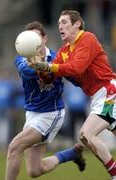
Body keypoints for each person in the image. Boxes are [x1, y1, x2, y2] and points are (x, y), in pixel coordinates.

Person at [29, 10, 116, 180]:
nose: (60, 26)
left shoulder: (87, 38)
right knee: (87, 137)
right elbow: (49, 78)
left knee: (87, 134)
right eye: (59, 23)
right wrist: (39, 66)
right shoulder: (63, 51)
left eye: (64, 22)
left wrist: (48, 67)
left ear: (77, 24)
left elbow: (77, 67)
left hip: (109, 91)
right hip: (98, 96)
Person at [5, 21, 86, 180]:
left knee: (14, 147)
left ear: (45, 38)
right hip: (32, 113)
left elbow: (71, 73)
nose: (33, 42)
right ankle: (70, 154)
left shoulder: (57, 58)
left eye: (36, 37)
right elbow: (27, 70)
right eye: (29, 38)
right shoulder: (21, 59)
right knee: (35, 170)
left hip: (51, 113)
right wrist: (44, 67)